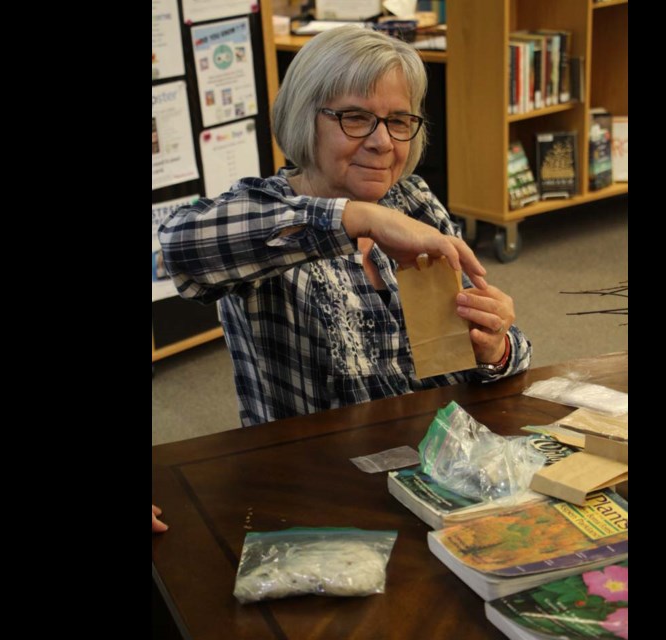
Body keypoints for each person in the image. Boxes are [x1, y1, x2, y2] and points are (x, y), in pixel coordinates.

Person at [159, 26, 532, 427]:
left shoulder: (414, 200)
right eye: (355, 118)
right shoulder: (267, 212)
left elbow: (495, 357)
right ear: (305, 117)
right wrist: (361, 217)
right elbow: (179, 248)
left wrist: (495, 348)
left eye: (399, 121)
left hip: (431, 462)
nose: (383, 142)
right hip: (315, 471)